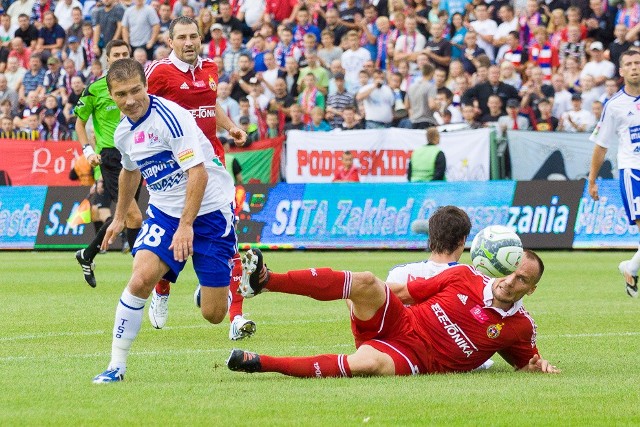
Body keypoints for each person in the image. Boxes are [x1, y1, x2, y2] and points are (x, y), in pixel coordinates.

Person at [227, 224, 559, 378]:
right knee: (369, 281)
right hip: (401, 321)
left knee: (367, 364)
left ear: (530, 290)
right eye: (512, 272)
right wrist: (359, 297)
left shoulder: (520, 325)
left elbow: (526, 361)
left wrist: (536, 365)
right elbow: (403, 294)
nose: (512, 282)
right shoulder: (463, 277)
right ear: (500, 266)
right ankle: (265, 281)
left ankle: (259, 362)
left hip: (415, 357)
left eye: (523, 280)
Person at [90, 58, 237, 383]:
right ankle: (116, 365)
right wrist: (117, 218)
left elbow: (196, 173)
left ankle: (209, 288)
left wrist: (187, 225)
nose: (130, 100)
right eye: (120, 94)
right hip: (166, 211)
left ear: (146, 86)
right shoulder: (124, 131)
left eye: (135, 91)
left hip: (211, 211)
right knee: (141, 277)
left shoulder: (171, 118)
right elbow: (130, 171)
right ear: (111, 95)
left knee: (214, 315)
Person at [144, 17, 252, 341]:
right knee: (172, 239)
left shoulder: (211, 68)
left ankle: (222, 302)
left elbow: (210, 103)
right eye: (182, 37)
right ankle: (161, 289)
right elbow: (141, 111)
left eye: (193, 36)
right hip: (175, 170)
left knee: (226, 237)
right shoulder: (159, 73)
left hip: (213, 167)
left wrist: (230, 126)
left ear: (201, 38)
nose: (188, 42)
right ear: (170, 41)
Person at [74, 40, 143, 289]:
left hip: (139, 152)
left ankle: (87, 255)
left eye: (126, 53)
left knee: (123, 215)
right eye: (116, 54)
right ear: (107, 59)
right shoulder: (95, 89)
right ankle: (142, 274)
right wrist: (88, 151)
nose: (121, 57)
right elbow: (80, 122)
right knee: (134, 216)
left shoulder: (139, 85)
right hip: (112, 157)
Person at [588, 49, 640, 298]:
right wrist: (592, 180)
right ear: (621, 71)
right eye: (629, 64)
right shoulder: (614, 106)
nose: (634, 67)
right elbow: (601, 145)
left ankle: (630, 268)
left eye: (638, 63)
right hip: (633, 172)